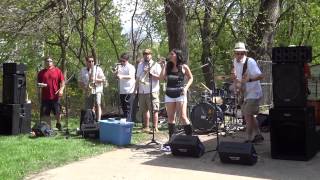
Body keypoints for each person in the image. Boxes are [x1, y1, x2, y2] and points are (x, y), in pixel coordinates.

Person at [230, 42, 264, 143]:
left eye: (242, 53)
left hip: (254, 93)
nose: (240, 55)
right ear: (234, 53)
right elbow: (237, 77)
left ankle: (248, 139)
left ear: (245, 53)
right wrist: (236, 85)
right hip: (244, 93)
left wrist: (249, 80)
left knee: (247, 116)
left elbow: (261, 76)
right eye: (237, 53)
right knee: (249, 115)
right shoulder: (234, 62)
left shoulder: (250, 62)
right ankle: (258, 135)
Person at [160, 49, 193, 139]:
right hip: (169, 94)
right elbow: (161, 78)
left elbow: (191, 78)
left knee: (183, 116)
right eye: (170, 54)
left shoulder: (184, 67)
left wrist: (186, 88)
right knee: (170, 117)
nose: (170, 55)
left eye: (172, 54)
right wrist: (163, 65)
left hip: (180, 94)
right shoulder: (168, 66)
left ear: (177, 56)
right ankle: (172, 140)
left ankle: (190, 139)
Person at [136, 49, 162, 133]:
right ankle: (146, 127)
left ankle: (155, 127)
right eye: (144, 54)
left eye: (148, 54)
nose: (146, 55)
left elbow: (160, 77)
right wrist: (136, 89)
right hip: (142, 90)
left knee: (154, 110)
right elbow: (138, 77)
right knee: (144, 110)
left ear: (151, 55)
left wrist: (150, 73)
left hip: (153, 90)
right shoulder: (140, 65)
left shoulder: (156, 65)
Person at [37, 56, 65, 130]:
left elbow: (62, 82)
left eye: (50, 61)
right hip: (45, 97)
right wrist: (41, 85)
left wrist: (61, 90)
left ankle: (58, 123)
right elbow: (38, 84)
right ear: (45, 62)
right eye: (47, 61)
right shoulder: (41, 73)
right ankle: (47, 128)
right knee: (45, 114)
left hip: (55, 97)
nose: (49, 63)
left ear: (52, 62)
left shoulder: (57, 71)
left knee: (58, 113)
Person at [78, 56, 106, 121]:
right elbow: (80, 81)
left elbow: (103, 79)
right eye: (89, 61)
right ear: (86, 62)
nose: (91, 63)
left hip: (97, 89)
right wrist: (85, 87)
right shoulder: (83, 70)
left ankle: (99, 120)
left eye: (92, 61)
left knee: (98, 103)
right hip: (88, 90)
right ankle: (91, 121)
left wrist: (95, 79)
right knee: (88, 107)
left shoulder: (98, 69)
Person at [114, 53, 136, 119]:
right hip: (121, 90)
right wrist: (116, 73)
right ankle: (125, 121)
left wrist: (121, 76)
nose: (121, 62)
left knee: (128, 108)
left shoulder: (131, 67)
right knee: (123, 108)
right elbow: (117, 77)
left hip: (129, 90)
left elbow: (131, 76)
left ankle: (128, 122)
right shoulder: (120, 67)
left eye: (123, 61)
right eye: (121, 61)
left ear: (127, 60)